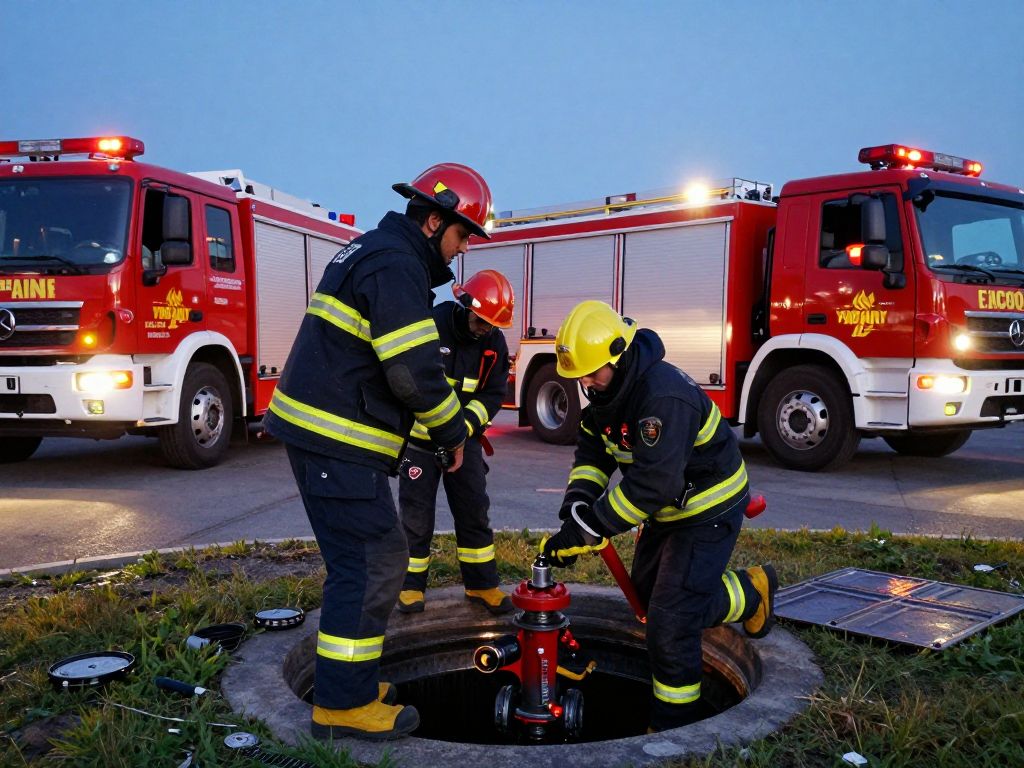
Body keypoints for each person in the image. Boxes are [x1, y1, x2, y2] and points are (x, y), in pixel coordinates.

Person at [264, 163, 493, 741]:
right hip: (334, 442)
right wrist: (454, 434)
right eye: (462, 234)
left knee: (368, 560)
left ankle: (353, 686)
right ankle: (342, 703)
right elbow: (415, 375)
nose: (462, 249)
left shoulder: (375, 251)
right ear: (434, 219)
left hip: (327, 438)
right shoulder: (396, 265)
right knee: (371, 564)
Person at [540, 300, 777, 733]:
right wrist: (577, 503)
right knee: (649, 600)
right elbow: (593, 451)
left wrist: (592, 525)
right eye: (580, 378)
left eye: (593, 373)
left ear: (619, 354)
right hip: (668, 512)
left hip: (707, 507)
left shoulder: (661, 396)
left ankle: (675, 727)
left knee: (670, 624)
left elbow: (654, 484)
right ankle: (751, 590)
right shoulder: (606, 393)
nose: (587, 385)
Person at [397, 269, 515, 616]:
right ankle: (410, 587)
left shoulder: (493, 343)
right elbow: (414, 382)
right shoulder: (434, 325)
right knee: (415, 519)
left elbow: (493, 394)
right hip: (420, 444)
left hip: (465, 442)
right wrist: (445, 431)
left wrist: (461, 430)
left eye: (493, 325)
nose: (486, 330)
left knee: (474, 510)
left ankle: (481, 584)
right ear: (466, 307)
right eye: (482, 322)